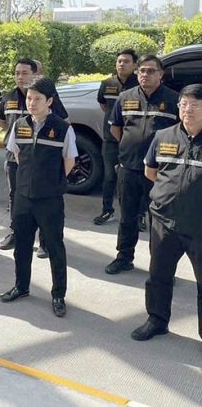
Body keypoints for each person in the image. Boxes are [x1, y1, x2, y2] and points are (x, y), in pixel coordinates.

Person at [0, 78, 78, 318]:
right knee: (22, 246)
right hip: (23, 196)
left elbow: (69, 161)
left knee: (55, 247)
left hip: (49, 199)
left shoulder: (62, 128)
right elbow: (17, 155)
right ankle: (21, 286)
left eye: (37, 99)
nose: (31, 103)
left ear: (50, 101)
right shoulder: (20, 125)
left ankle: (58, 295)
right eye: (29, 98)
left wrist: (50, 182)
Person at [131, 84, 202, 342]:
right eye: (184, 104)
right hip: (164, 221)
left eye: (195, 105)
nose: (188, 110)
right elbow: (151, 171)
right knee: (159, 276)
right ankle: (157, 320)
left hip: (199, 226)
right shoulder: (163, 136)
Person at [106, 54, 179, 274]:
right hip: (129, 168)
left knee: (160, 222)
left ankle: (160, 267)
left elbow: (180, 134)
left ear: (161, 74)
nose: (145, 74)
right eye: (142, 70)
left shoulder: (173, 99)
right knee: (127, 217)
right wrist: (132, 147)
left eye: (150, 71)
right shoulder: (125, 97)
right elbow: (116, 128)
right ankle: (124, 257)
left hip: (160, 172)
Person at [93, 49, 139, 226]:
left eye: (126, 61)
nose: (122, 64)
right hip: (110, 139)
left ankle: (139, 214)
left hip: (133, 140)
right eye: (119, 61)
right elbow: (104, 105)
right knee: (109, 176)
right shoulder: (107, 84)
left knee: (135, 178)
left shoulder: (140, 84)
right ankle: (107, 210)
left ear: (134, 65)